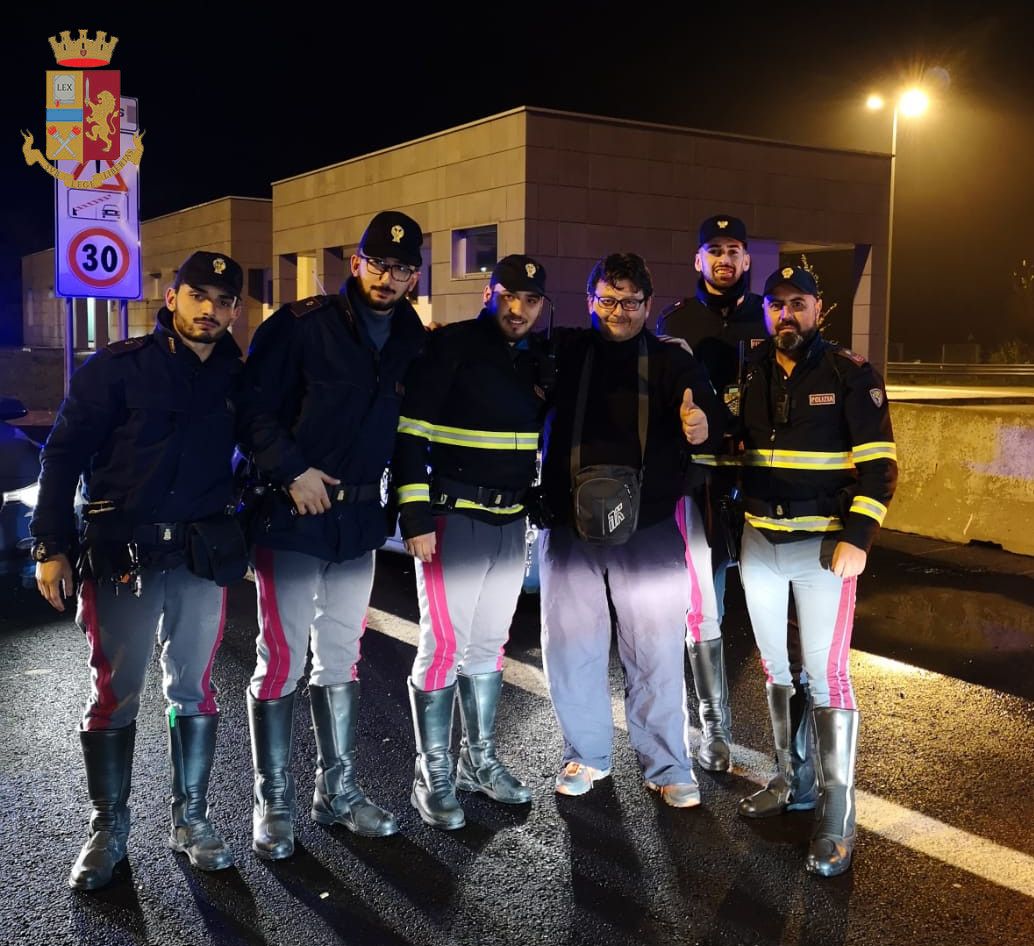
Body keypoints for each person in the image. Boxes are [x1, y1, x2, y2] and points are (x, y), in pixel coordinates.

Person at [30, 251, 246, 889]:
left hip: (200, 557)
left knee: (195, 691)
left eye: (224, 299)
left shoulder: (242, 376)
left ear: (235, 308)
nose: (210, 309)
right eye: (198, 295)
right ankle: (108, 827)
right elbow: (62, 455)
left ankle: (192, 819)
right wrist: (50, 546)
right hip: (122, 555)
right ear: (172, 295)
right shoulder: (118, 368)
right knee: (116, 693)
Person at [236, 211, 427, 858]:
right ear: (356, 263)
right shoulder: (300, 326)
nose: (388, 277)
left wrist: (410, 511)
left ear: (413, 276)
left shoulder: (410, 336)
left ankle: (336, 792)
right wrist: (290, 471)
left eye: (402, 268)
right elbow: (251, 411)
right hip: (291, 518)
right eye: (378, 263)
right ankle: (273, 804)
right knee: (282, 660)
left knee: (342, 657)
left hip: (356, 524)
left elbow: (407, 435)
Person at [538, 252, 723, 807]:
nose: (619, 311)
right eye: (608, 299)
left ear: (649, 305)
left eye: (631, 302)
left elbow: (712, 425)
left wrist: (702, 424)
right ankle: (585, 754)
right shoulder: (565, 352)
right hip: (568, 529)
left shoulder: (673, 363)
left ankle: (668, 766)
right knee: (572, 649)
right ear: (590, 299)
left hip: (648, 530)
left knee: (656, 651)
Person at [735, 265, 897, 877]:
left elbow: (881, 467)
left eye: (797, 304)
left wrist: (860, 537)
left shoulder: (849, 374)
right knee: (777, 668)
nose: (786, 316)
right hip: (760, 541)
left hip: (825, 547)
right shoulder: (749, 370)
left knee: (826, 676)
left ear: (819, 309)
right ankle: (792, 780)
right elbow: (735, 448)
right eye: (776, 305)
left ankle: (837, 809)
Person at [392, 255, 551, 829]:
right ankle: (431, 773)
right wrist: (414, 517)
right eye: (509, 295)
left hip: (511, 522)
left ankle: (477, 761)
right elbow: (410, 434)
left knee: (488, 646)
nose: (519, 308)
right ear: (490, 291)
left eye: (531, 300)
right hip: (452, 520)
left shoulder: (536, 359)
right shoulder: (450, 346)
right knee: (443, 647)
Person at [653, 214, 768, 773]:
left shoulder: (767, 315)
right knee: (706, 603)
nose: (725, 259)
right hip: (700, 481)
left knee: (770, 608)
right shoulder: (676, 319)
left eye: (735, 250)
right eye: (714, 250)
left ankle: (789, 745)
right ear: (698, 260)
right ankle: (713, 727)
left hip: (762, 478)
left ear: (747, 260)